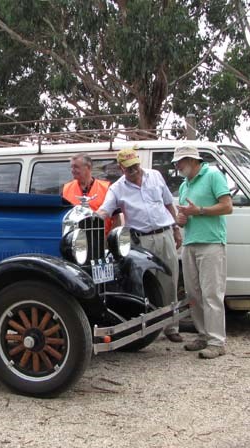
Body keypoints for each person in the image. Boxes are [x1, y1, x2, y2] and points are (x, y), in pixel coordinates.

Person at [96, 148, 183, 342]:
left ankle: (171, 327)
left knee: (170, 280)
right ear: (121, 168)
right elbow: (106, 210)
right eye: (129, 167)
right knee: (148, 283)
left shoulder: (155, 176)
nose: (134, 170)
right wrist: (93, 216)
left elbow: (168, 203)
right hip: (140, 240)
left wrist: (176, 228)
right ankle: (151, 328)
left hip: (164, 234)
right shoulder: (117, 188)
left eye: (135, 165)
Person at [173, 145, 233, 359]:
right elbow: (184, 216)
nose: (177, 166)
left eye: (180, 162)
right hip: (191, 243)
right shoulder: (184, 186)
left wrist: (199, 211)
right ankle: (203, 335)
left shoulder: (213, 175)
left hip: (211, 243)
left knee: (212, 293)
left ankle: (217, 342)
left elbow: (227, 206)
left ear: (192, 160)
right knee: (193, 294)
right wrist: (181, 219)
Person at [62, 153, 120, 232]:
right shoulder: (66, 188)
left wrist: (110, 240)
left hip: (101, 240)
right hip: (75, 241)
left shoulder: (107, 188)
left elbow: (116, 218)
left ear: (88, 167)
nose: (72, 170)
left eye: (76, 167)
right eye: (71, 167)